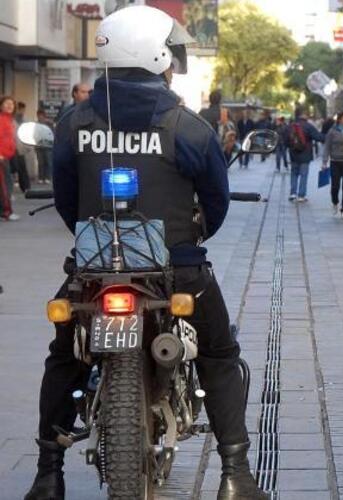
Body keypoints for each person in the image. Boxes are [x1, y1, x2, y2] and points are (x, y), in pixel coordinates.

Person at [24, 6, 268, 500]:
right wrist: (190, 236)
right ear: (158, 56)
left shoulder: (74, 122)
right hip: (178, 270)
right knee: (219, 354)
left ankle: (48, 474)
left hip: (94, 272)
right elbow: (215, 205)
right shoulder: (189, 126)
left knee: (64, 357)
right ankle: (235, 476)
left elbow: (68, 204)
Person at [287, 108, 323, 202]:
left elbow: (285, 139)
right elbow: (318, 137)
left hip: (293, 154)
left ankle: (293, 193)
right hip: (305, 154)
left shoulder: (291, 126)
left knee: (294, 174)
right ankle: (301, 195)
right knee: (304, 175)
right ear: (305, 116)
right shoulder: (308, 126)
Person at [0, 96, 19, 220]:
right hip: (1, 157)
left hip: (7, 156)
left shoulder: (10, 120)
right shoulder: (1, 119)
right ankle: (6, 212)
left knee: (6, 184)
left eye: (11, 104)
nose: (9, 106)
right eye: (6, 103)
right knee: (4, 186)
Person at [11, 100, 30, 192]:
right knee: (13, 167)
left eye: (23, 109)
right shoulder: (11, 119)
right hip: (11, 147)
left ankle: (25, 187)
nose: (22, 111)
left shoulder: (24, 119)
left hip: (19, 147)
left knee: (22, 167)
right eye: (20, 109)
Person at [36, 109, 54, 184]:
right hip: (39, 146)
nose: (40, 117)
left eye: (41, 116)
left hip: (48, 146)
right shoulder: (36, 124)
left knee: (48, 162)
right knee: (40, 163)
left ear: (44, 116)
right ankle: (41, 178)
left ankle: (47, 178)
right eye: (39, 116)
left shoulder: (49, 124)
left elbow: (52, 133)